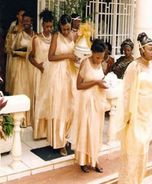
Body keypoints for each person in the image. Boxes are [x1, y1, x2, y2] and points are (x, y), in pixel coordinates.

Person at [118, 32, 152, 184]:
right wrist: (127, 117)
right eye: (150, 49)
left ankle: (138, 180)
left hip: (148, 115)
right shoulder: (133, 67)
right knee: (132, 152)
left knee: (143, 152)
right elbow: (126, 94)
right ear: (142, 50)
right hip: (135, 115)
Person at [71, 39, 107, 173]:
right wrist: (96, 83)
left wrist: (103, 83)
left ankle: (95, 159)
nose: (99, 60)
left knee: (96, 131)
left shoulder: (101, 64)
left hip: (98, 101)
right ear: (92, 53)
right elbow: (79, 85)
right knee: (87, 129)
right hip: (86, 101)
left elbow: (101, 80)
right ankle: (83, 160)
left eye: (102, 57)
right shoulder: (85, 63)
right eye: (97, 57)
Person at [46, 14, 77, 155]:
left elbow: (77, 53)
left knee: (71, 106)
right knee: (59, 107)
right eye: (64, 29)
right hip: (58, 74)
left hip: (71, 73)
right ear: (60, 27)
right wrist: (68, 56)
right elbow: (50, 57)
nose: (66, 32)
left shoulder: (74, 35)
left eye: (68, 29)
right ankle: (59, 142)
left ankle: (67, 136)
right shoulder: (56, 36)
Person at [28, 9, 54, 139]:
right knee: (40, 100)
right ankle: (38, 132)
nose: (49, 29)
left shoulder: (55, 39)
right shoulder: (36, 39)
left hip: (52, 75)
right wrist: (39, 67)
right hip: (40, 73)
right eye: (47, 26)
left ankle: (48, 131)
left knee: (49, 101)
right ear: (43, 25)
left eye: (51, 26)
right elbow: (30, 57)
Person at [11, 11, 35, 127]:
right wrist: (23, 53)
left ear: (31, 22)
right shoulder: (19, 35)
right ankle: (20, 119)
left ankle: (30, 118)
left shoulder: (36, 36)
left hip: (32, 66)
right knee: (21, 89)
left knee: (31, 91)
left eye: (27, 21)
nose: (25, 23)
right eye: (24, 21)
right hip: (21, 67)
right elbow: (12, 51)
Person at [4, 7, 25, 94]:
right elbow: (8, 42)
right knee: (14, 77)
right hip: (14, 56)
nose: (23, 17)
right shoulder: (14, 26)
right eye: (21, 15)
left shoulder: (26, 26)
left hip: (23, 57)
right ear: (17, 16)